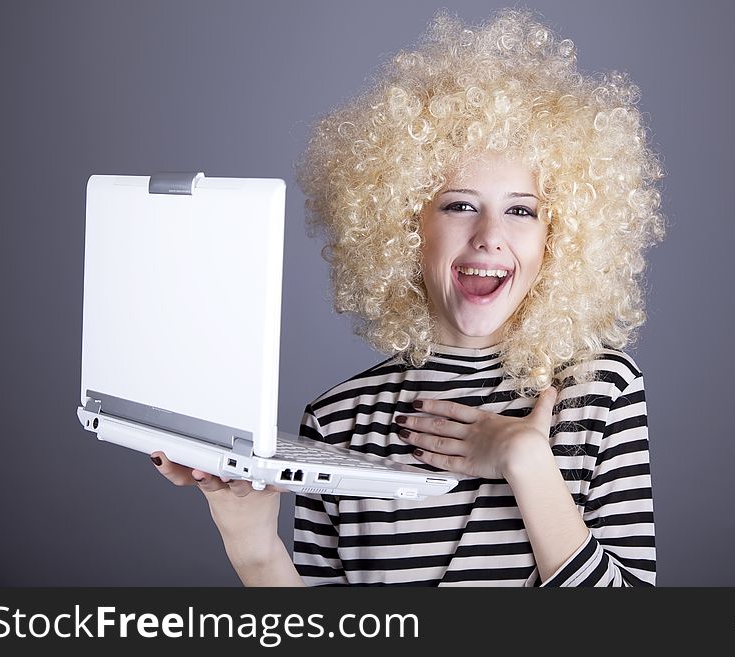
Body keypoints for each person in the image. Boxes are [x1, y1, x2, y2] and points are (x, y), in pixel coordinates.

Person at [152, 8, 664, 587]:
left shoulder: (596, 392)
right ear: (404, 224)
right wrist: (252, 548)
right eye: (459, 204)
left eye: (521, 210)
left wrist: (528, 464)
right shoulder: (337, 423)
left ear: (559, 237)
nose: (489, 235)